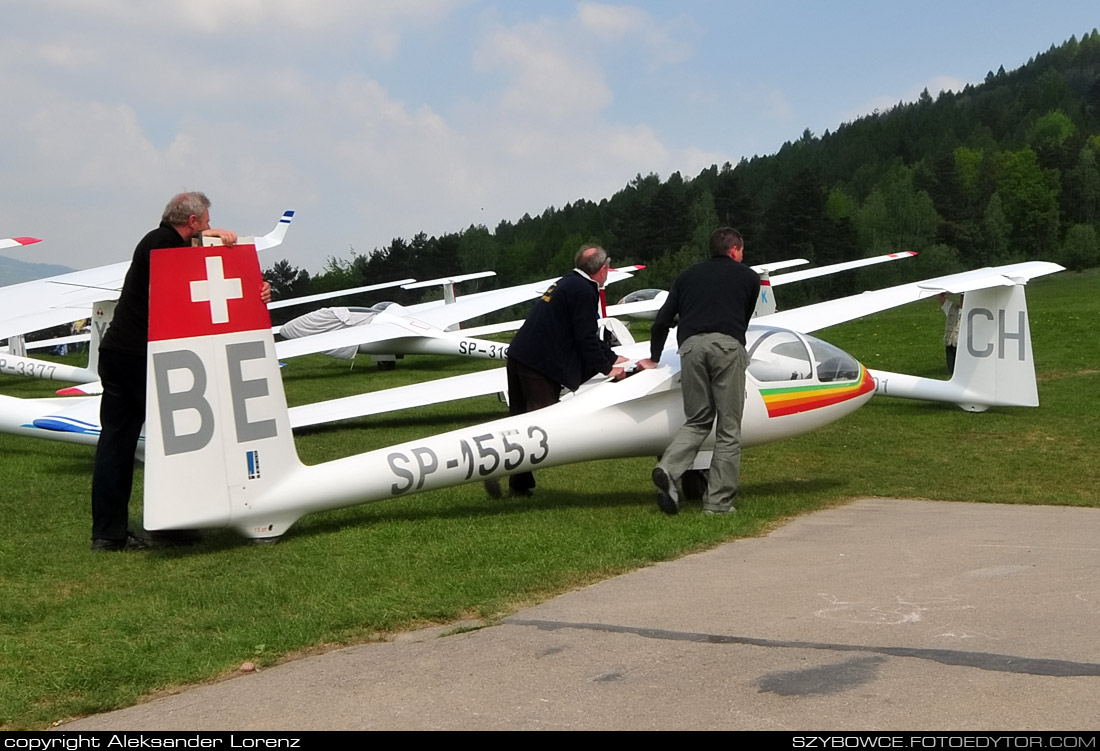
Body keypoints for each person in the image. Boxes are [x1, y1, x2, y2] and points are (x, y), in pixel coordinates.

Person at [90, 192, 268, 552]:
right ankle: (171, 524)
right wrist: (219, 243)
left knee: (117, 444)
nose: (208, 228)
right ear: (192, 222)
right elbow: (190, 282)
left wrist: (255, 289)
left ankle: (110, 533)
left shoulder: (156, 242)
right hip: (140, 355)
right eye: (204, 222)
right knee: (177, 439)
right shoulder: (164, 244)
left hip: (118, 351)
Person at [635, 227, 760, 516]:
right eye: (742, 250)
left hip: (690, 349)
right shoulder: (749, 277)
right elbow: (742, 318)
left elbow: (661, 321)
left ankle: (668, 468)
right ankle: (717, 504)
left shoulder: (687, 275)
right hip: (727, 347)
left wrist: (653, 358)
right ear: (734, 250)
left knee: (698, 419)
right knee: (729, 429)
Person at [490, 244, 627, 497]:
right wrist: (609, 368)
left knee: (520, 421)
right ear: (602, 269)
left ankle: (519, 485)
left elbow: (581, 333)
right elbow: (585, 337)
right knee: (543, 427)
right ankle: (493, 467)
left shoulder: (567, 282)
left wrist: (612, 356)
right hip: (539, 363)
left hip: (520, 354)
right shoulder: (585, 291)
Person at [938, 292, 962, 376]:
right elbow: (940, 298)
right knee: (951, 367)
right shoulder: (951, 308)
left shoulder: (971, 312)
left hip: (961, 345)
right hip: (950, 343)